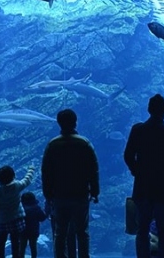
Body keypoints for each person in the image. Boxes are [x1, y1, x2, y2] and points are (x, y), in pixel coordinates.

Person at [124, 94, 164, 258]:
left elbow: (128, 155)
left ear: (149, 110)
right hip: (162, 189)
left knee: (142, 229)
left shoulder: (138, 130)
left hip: (142, 187)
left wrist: (136, 172)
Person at [41, 108, 99, 258]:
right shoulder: (84, 143)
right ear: (75, 122)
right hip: (80, 194)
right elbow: (93, 169)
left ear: (59, 124)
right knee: (82, 232)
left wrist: (48, 194)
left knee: (60, 233)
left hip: (59, 195)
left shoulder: (52, 145)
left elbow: (46, 172)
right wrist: (95, 191)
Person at [0, 165, 35, 258]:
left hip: (2, 221)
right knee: (15, 241)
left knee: (1, 242)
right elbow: (27, 180)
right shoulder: (16, 186)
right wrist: (31, 169)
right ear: (13, 176)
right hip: (16, 219)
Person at [21, 192, 47, 258]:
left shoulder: (20, 209)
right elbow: (42, 218)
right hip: (34, 231)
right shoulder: (36, 208)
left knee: (22, 247)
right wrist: (47, 210)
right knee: (33, 246)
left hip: (22, 231)